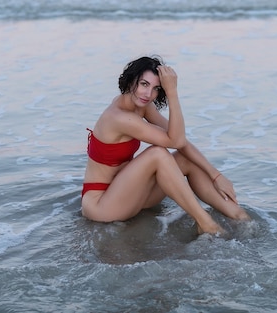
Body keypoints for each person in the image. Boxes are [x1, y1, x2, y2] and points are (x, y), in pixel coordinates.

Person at [81, 56, 250, 235]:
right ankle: (205, 223)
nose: (148, 94)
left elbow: (180, 142)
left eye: (156, 89)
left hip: (130, 195)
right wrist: (172, 92)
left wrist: (216, 176)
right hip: (103, 206)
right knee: (158, 154)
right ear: (131, 80)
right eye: (144, 84)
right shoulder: (119, 117)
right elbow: (175, 141)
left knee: (186, 159)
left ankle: (238, 215)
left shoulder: (140, 106)